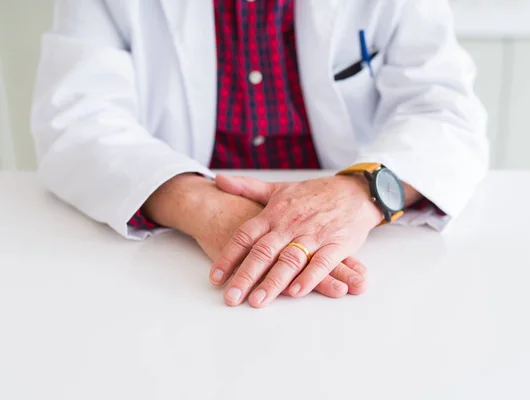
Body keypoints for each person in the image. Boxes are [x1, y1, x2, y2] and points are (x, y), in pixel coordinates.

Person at [31, 0, 488, 308]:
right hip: (178, 262)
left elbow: (444, 108)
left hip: (358, 250)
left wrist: (360, 193)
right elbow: (77, 116)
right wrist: (204, 206)